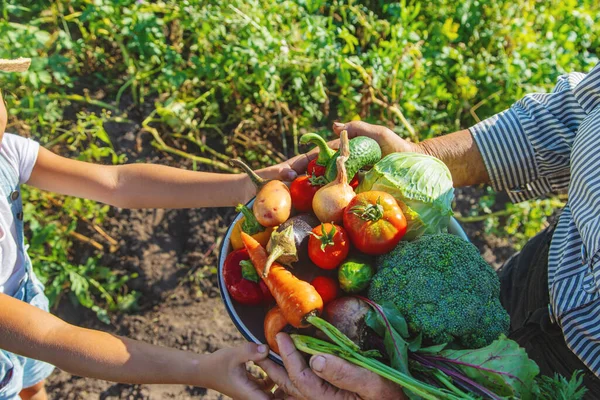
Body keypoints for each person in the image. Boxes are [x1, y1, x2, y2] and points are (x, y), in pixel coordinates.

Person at [258, 62, 600, 399]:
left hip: (584, 375)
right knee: (486, 307)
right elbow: (574, 111)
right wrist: (420, 156)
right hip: (555, 263)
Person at [0, 58, 309, 400]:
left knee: (33, 380)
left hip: (22, 291)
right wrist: (201, 370)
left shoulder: (6, 152)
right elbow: (54, 340)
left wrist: (245, 186)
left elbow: (117, 183)